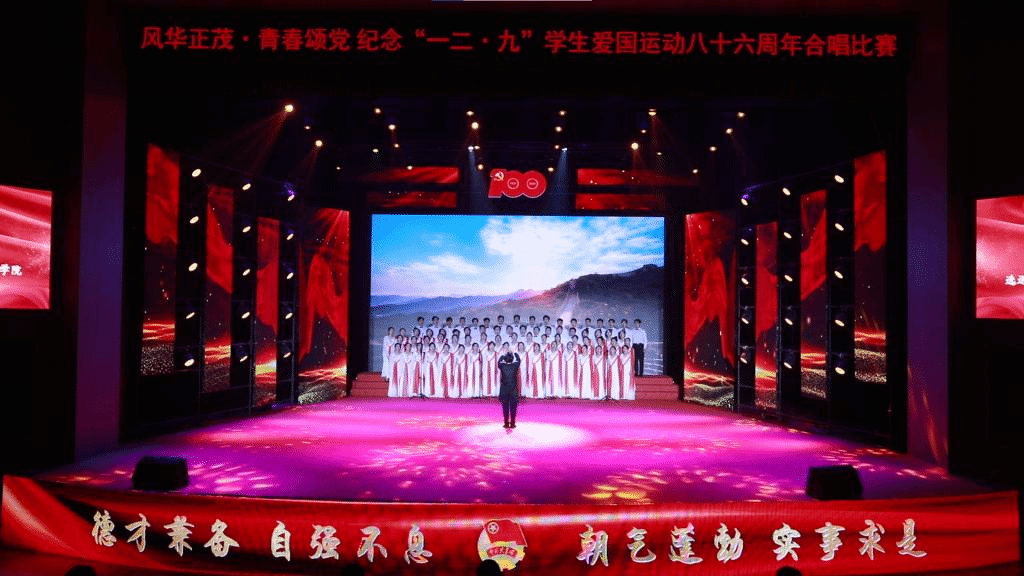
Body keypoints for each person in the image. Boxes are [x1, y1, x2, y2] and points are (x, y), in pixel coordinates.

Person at [497, 344, 521, 429]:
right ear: (512, 359)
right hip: (513, 391)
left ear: (505, 359)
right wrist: (514, 352)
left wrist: (503, 355)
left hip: (504, 390)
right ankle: (513, 423)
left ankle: (506, 423)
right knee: (513, 408)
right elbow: (518, 360)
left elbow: (499, 361)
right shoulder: (514, 366)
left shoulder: (502, 366)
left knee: (505, 408)